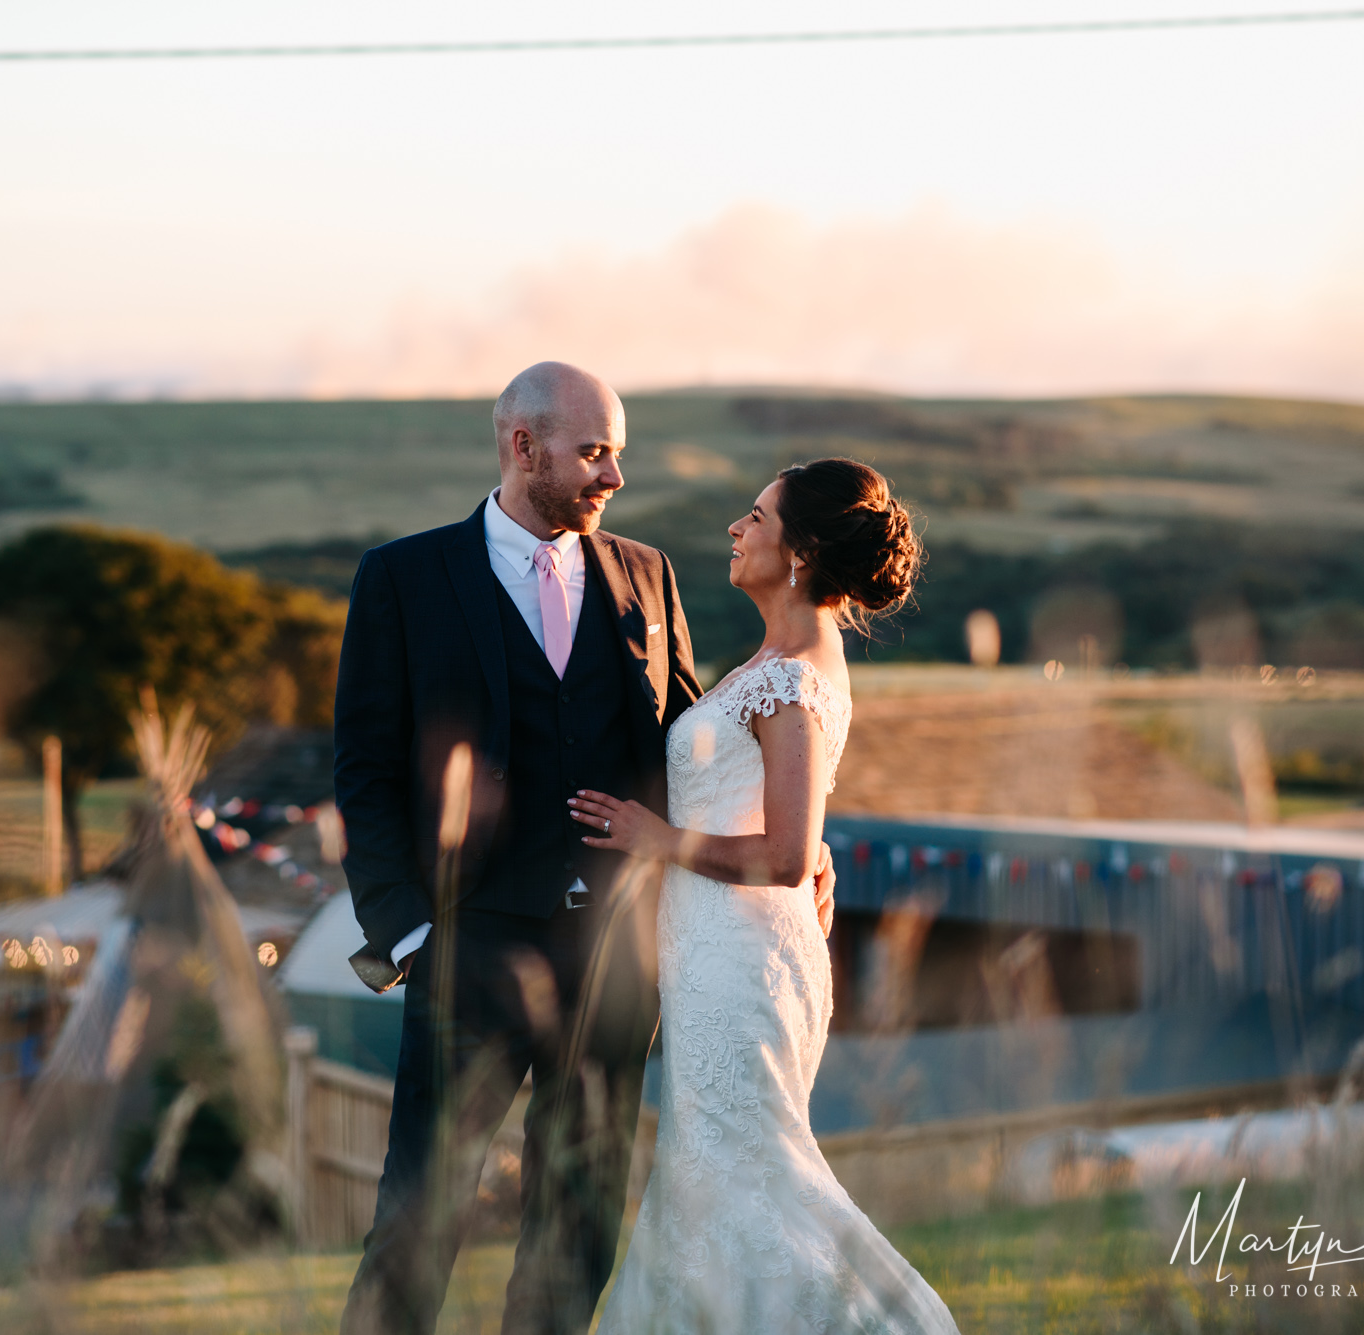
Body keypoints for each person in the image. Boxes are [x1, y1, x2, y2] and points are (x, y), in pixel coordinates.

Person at [333, 361, 835, 1335]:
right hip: (465, 949)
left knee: (579, 1221)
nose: (611, 479)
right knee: (418, 1218)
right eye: (593, 453)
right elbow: (361, 767)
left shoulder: (645, 574)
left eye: (617, 454)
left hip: (617, 955)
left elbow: (693, 740)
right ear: (523, 448)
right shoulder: (402, 578)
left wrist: (804, 838)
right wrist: (403, 935)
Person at [573, 459, 961, 1333]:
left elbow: (787, 855)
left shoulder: (793, 678)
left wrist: (658, 838)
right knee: (706, 1174)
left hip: (744, 966)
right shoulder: (776, 660)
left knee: (743, 1172)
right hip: (715, 952)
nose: (735, 530)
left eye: (754, 516)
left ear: (801, 549)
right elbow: (791, 824)